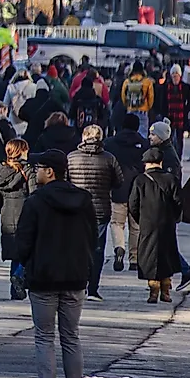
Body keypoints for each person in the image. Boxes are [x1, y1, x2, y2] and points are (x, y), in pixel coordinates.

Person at [7, 151, 96, 378]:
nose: (35, 172)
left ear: (50, 171)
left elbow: (23, 242)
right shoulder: (83, 200)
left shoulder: (36, 202)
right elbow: (93, 238)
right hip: (75, 278)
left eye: (38, 168)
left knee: (44, 336)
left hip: (43, 278)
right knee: (71, 336)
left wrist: (23, 266)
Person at [63, 124, 126, 301]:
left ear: (83, 137)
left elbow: (65, 180)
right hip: (100, 210)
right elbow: (119, 181)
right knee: (96, 250)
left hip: (75, 209)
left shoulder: (71, 157)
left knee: (76, 248)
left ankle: (77, 284)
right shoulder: (109, 158)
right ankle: (93, 288)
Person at [127, 144, 190, 302]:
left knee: (149, 256)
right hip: (167, 223)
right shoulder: (171, 179)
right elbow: (178, 202)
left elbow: (132, 204)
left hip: (147, 223)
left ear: (146, 163)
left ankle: (153, 290)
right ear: (161, 162)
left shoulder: (140, 180)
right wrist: (173, 217)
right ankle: (166, 289)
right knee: (166, 255)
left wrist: (140, 219)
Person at [0, 138, 32, 301]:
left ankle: (15, 290)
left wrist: (3, 209)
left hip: (7, 215)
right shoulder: (27, 170)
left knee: (15, 254)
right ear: (21, 151)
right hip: (25, 214)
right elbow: (35, 193)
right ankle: (19, 277)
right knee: (29, 251)